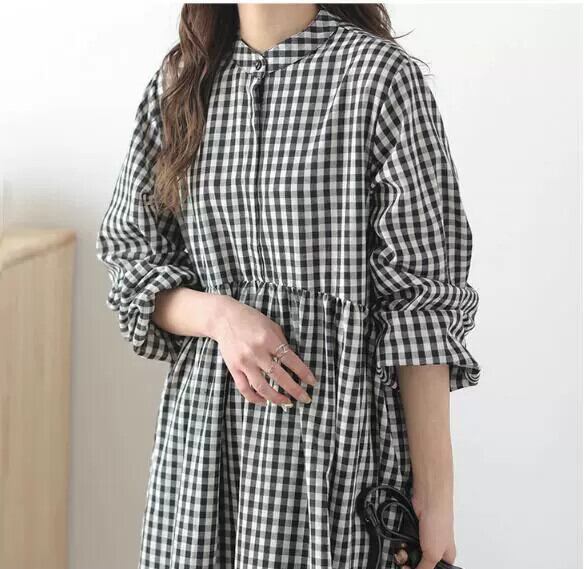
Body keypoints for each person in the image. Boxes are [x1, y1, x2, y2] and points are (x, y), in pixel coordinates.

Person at [96, 4, 481, 569]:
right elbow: (133, 262)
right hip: (207, 449)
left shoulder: (378, 78)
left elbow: (419, 304)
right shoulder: (181, 81)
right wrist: (221, 317)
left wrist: (436, 497)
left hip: (338, 445)